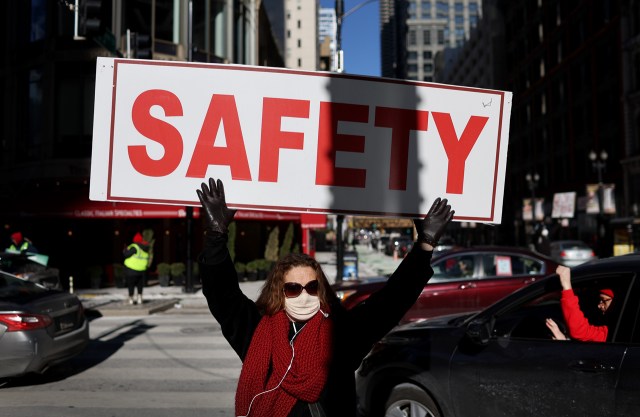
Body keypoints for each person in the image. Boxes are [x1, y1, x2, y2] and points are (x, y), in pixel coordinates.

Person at [196, 178, 454, 417]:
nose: (305, 295)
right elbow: (223, 295)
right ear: (279, 292)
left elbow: (390, 302)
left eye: (312, 287)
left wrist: (425, 245)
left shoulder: (341, 334)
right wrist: (216, 235)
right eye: (293, 288)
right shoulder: (257, 330)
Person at [546, 265, 614, 342]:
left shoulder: (617, 330)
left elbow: (580, 331)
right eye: (599, 300)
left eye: (604, 301)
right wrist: (565, 340)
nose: (599, 305)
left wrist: (566, 286)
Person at [123, 232, 151, 305]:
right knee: (140, 285)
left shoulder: (135, 247)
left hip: (132, 270)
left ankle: (131, 299)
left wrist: (125, 250)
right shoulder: (145, 248)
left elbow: (126, 255)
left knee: (131, 285)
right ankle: (140, 299)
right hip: (141, 270)